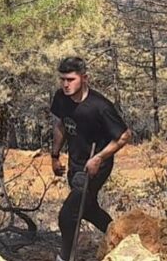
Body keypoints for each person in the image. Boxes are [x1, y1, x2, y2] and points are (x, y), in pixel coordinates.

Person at [50, 56, 132, 261]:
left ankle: (65, 258)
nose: (66, 84)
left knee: (67, 216)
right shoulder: (61, 98)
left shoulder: (100, 106)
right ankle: (122, 241)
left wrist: (99, 158)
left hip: (97, 166)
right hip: (75, 164)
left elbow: (124, 135)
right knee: (88, 209)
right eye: (63, 79)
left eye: (71, 79)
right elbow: (61, 125)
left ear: (84, 78)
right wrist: (55, 155)